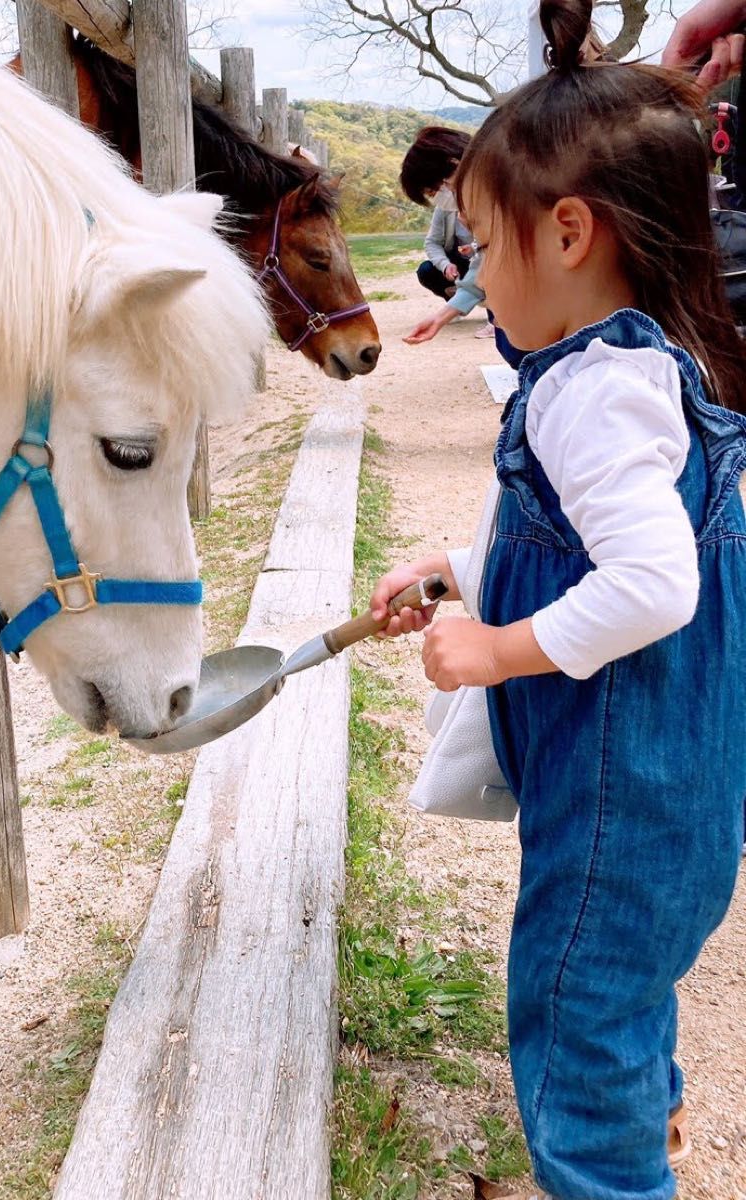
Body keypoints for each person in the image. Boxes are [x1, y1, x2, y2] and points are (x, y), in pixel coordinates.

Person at [370, 2, 746, 1198]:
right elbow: (595, 548)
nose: (472, 271)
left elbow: (650, 584)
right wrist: (463, 577)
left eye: (480, 245)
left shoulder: (587, 390)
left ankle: (614, 1172)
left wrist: (492, 649)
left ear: (570, 231)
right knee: (624, 998)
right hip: (673, 797)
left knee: (573, 1023)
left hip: (618, 802)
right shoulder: (647, 367)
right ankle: (655, 1129)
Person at [400, 127, 477, 302]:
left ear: (455, 164)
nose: (449, 189)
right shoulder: (448, 208)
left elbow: (491, 257)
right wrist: (446, 266)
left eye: (434, 191)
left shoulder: (499, 201)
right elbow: (485, 258)